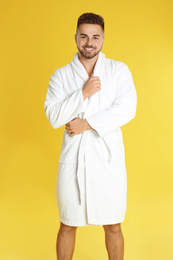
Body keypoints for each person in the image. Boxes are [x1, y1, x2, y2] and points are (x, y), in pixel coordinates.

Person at [44, 12, 137, 260]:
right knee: (67, 224)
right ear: (76, 38)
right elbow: (54, 117)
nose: (89, 42)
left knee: (114, 225)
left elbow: (127, 109)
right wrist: (82, 94)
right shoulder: (60, 76)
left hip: (108, 163)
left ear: (103, 39)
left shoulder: (118, 71)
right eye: (84, 36)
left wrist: (86, 124)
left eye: (95, 37)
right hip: (74, 162)